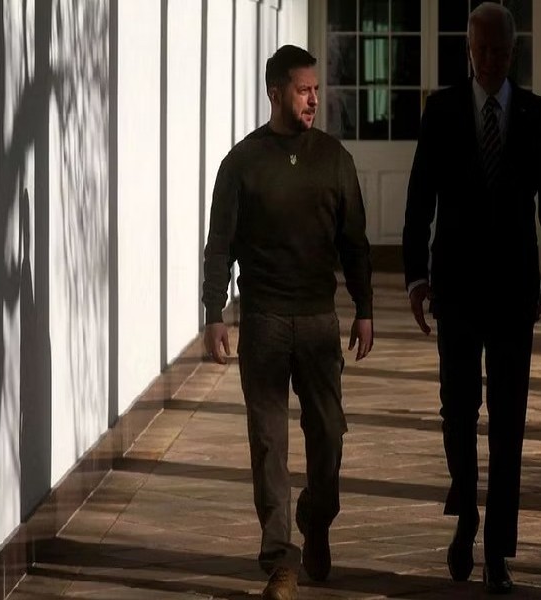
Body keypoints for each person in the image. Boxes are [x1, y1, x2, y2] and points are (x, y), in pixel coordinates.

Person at [402, 2, 541, 594]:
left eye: (501, 51)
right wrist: (415, 277)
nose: (492, 61)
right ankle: (466, 514)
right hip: (455, 285)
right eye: (483, 50)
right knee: (457, 412)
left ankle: (498, 550)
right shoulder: (441, 111)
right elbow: (420, 196)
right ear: (468, 50)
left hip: (514, 293)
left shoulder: (536, 114)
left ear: (512, 51)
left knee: (509, 421)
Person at [202, 44, 374, 600]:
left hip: (320, 322)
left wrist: (365, 307)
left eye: (316, 90)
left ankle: (316, 521)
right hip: (266, 321)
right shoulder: (242, 163)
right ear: (275, 93)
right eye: (304, 90)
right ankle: (280, 560)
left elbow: (354, 241)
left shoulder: (334, 159)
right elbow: (219, 246)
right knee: (269, 442)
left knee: (328, 435)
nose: (314, 100)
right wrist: (214, 314)